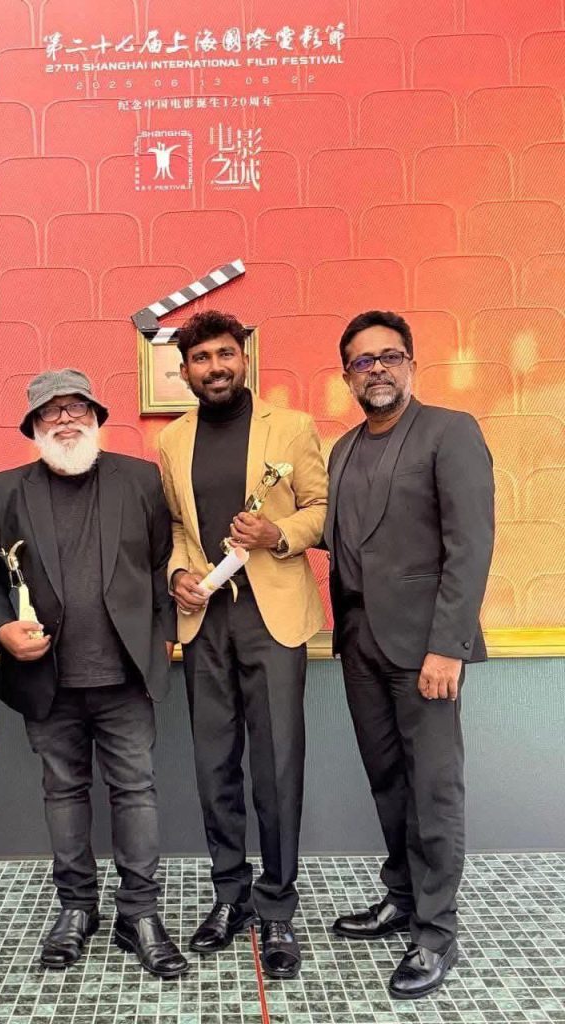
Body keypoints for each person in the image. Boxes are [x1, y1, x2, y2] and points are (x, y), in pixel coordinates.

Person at [0, 368, 188, 979]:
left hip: (125, 675)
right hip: (46, 677)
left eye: (77, 407)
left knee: (136, 791)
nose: (66, 419)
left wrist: (164, 635)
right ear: (33, 426)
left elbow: (161, 564)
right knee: (63, 793)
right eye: (52, 411)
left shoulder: (141, 480)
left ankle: (139, 914)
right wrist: (0, 629)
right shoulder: (2, 490)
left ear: (96, 417)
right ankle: (76, 908)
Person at [325, 310, 494, 999]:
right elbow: (348, 538)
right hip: (360, 644)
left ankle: (436, 931)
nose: (377, 369)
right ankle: (400, 897)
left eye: (389, 356)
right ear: (347, 376)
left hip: (426, 649)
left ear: (411, 364)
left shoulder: (450, 432)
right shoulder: (342, 450)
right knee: (388, 781)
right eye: (363, 361)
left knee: (433, 788)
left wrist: (448, 647)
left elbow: (470, 546)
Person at [158, 311, 328, 979]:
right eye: (201, 359)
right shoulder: (172, 439)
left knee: (277, 766)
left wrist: (277, 534)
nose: (215, 367)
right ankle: (231, 896)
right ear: (185, 372)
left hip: (273, 618)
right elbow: (177, 526)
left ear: (244, 359)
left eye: (225, 354)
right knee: (214, 766)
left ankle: (278, 907)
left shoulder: (292, 427)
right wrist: (178, 574)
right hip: (206, 622)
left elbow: (322, 508)